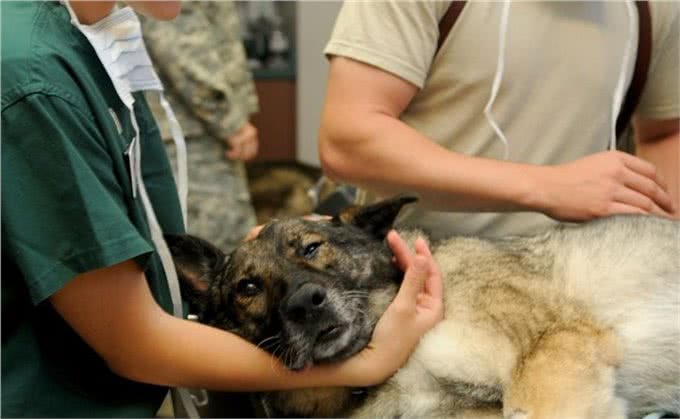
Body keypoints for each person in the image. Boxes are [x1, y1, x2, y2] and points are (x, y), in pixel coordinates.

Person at [0, 1, 444, 418]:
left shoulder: (93, 41)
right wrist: (369, 362)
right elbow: (132, 340)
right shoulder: (34, 77)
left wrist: (269, 257)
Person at [320, 1, 679, 239]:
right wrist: (547, 187)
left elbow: (666, 131)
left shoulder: (657, 8)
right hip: (421, 275)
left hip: (583, 278)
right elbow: (348, 140)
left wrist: (661, 248)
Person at [142, 1, 260, 252]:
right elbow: (179, 42)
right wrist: (231, 122)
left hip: (192, 131)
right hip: (190, 136)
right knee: (213, 256)